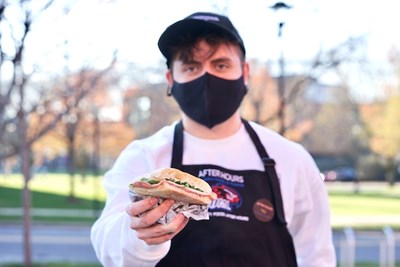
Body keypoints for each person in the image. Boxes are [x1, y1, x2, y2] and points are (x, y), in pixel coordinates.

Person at [91, 11, 336, 267]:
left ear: (245, 72)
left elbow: (317, 255)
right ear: (170, 80)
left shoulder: (290, 158)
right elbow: (110, 252)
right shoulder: (143, 156)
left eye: (220, 65)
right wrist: (139, 235)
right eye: (191, 67)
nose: (206, 78)